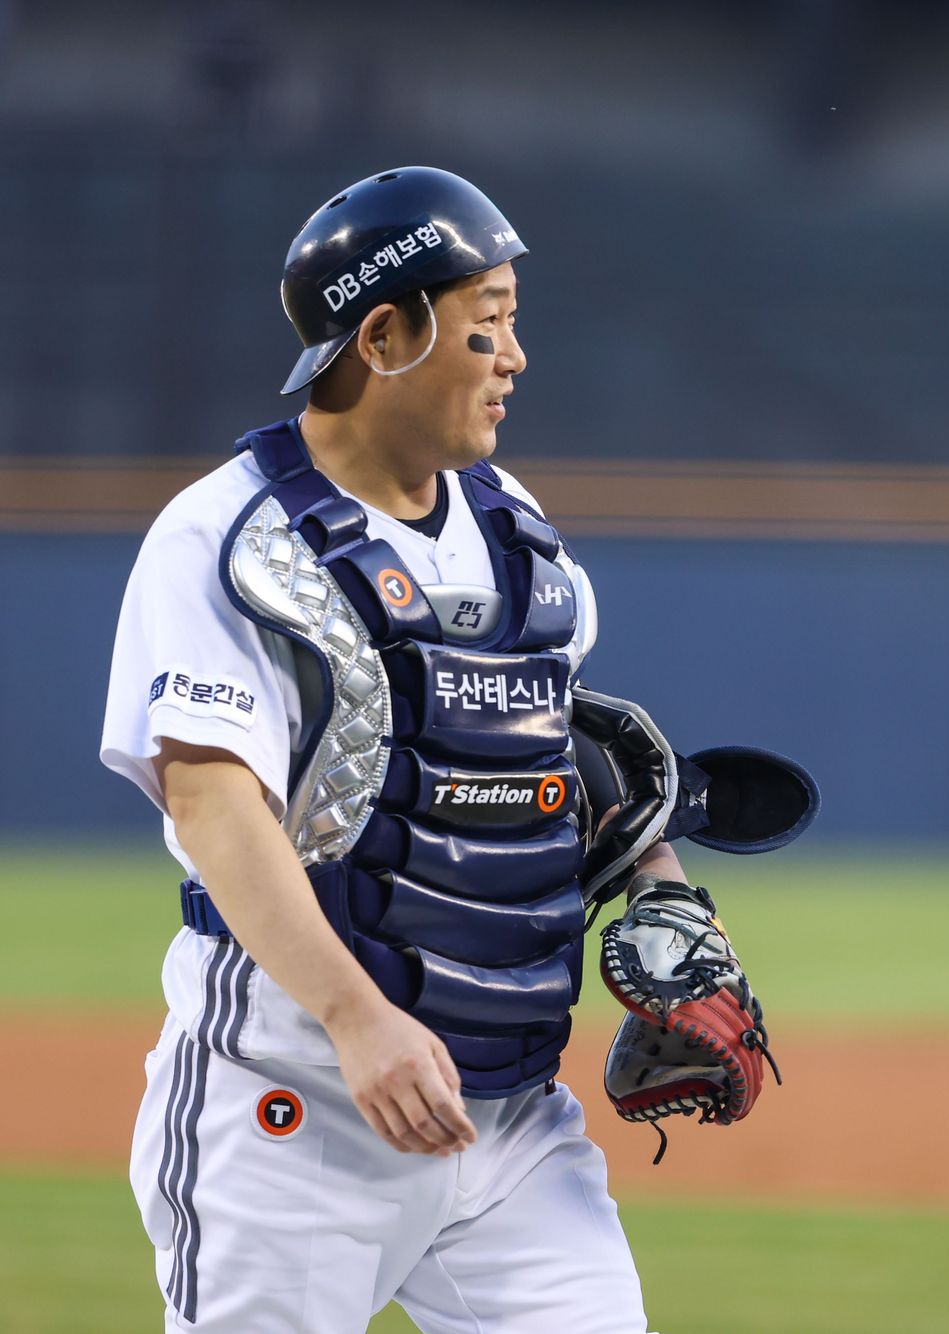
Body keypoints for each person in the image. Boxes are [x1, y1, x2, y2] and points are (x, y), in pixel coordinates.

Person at [100, 166, 675, 1332]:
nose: (514, 355)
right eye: (488, 323)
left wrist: (671, 911)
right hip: (295, 1094)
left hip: (513, 1117)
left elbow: (553, 769)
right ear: (384, 335)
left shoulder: (514, 528)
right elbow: (215, 803)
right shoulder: (227, 534)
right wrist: (358, 1018)